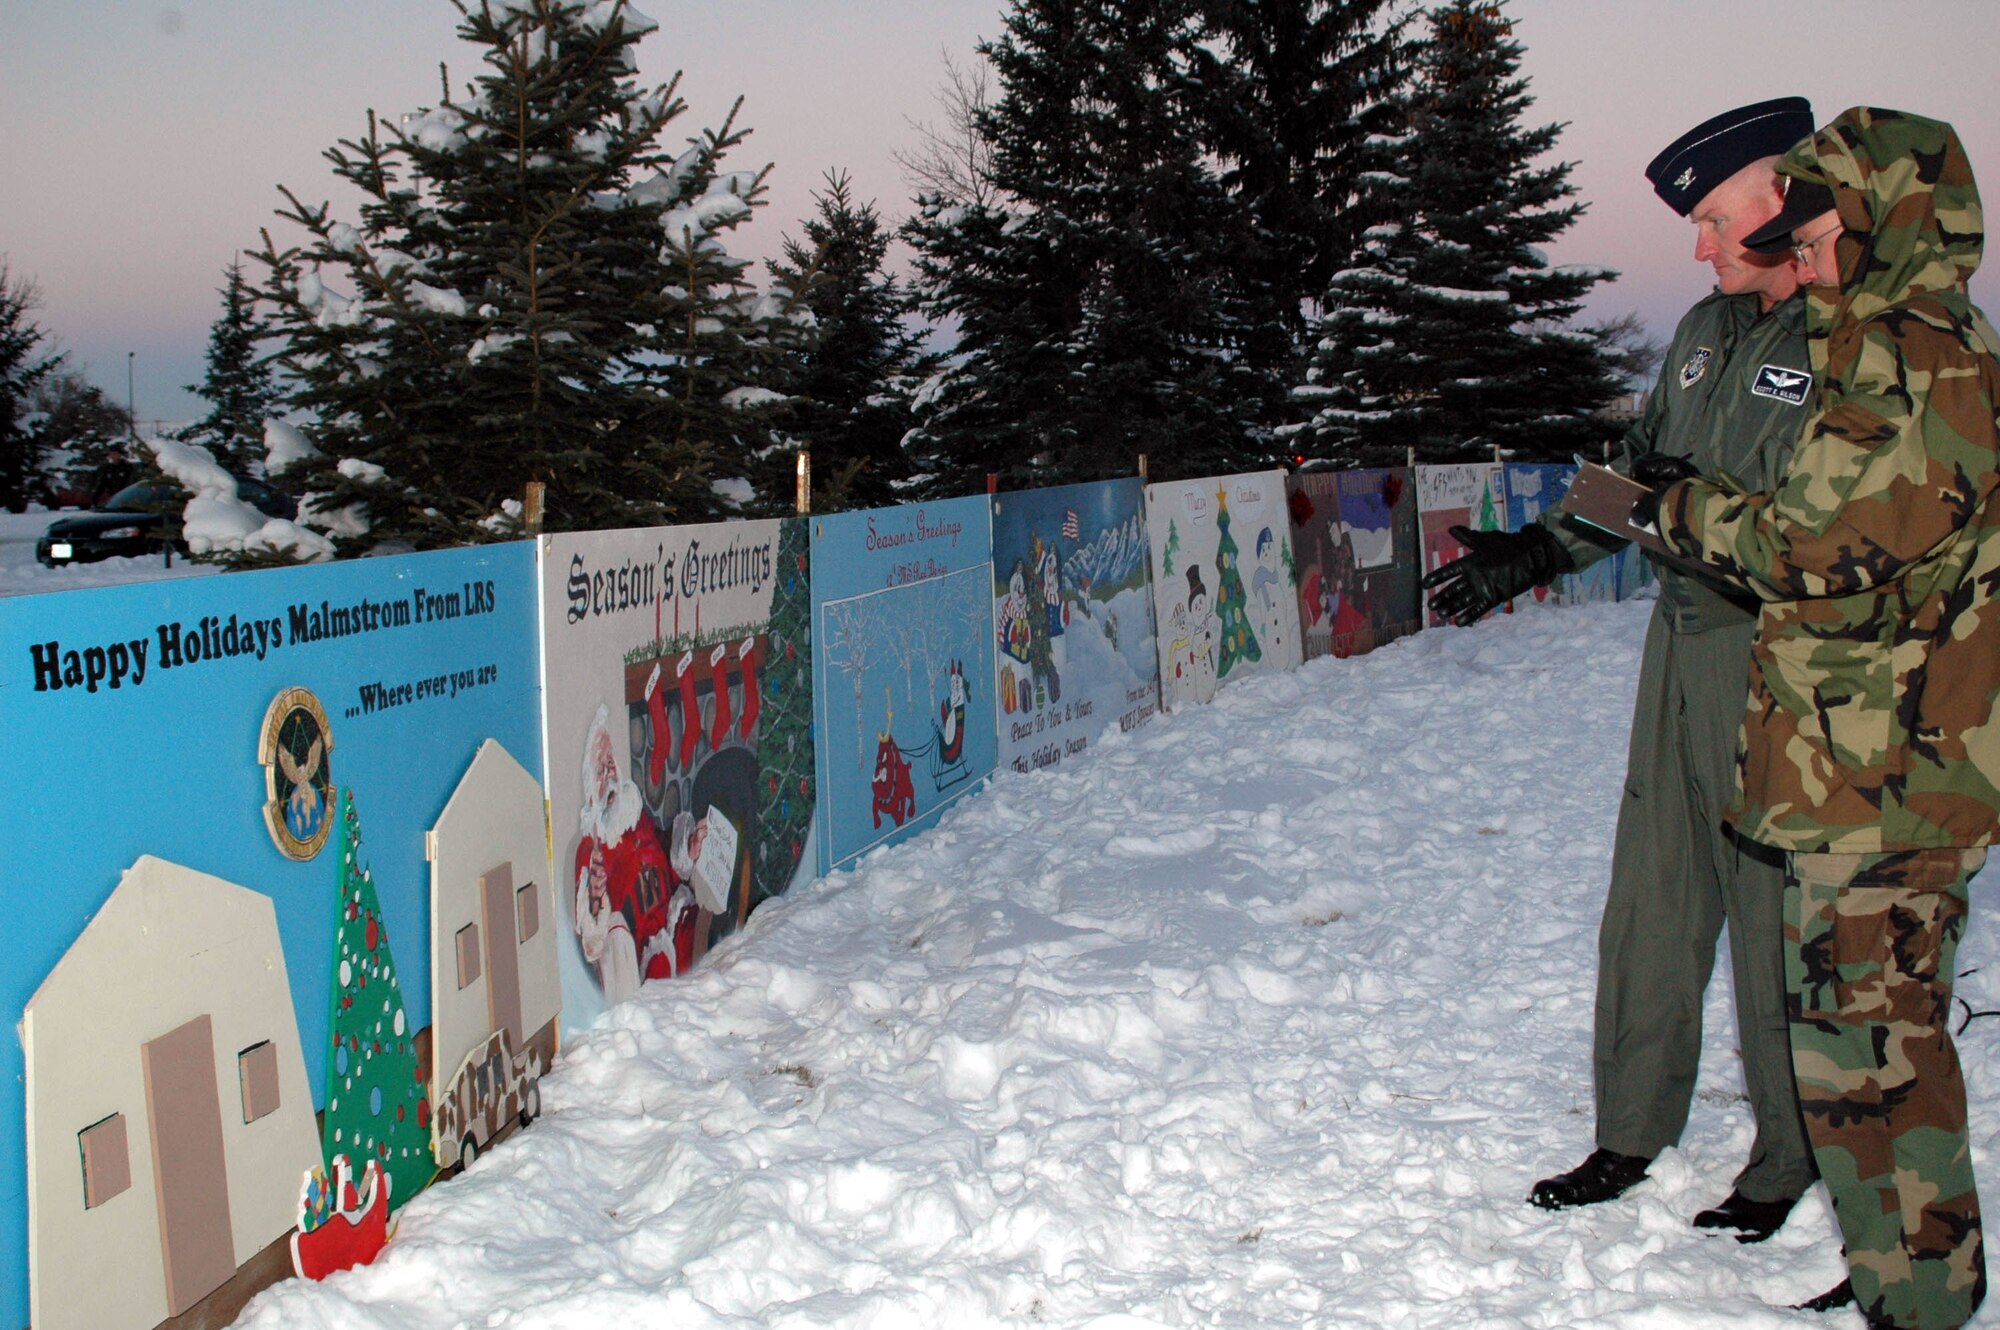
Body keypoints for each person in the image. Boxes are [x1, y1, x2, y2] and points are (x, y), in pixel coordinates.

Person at [1423, 98, 1820, 1240]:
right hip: (1679, 647)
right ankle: (1628, 1129)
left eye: (1709, 216)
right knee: (1651, 898)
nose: (1697, 245)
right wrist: (1533, 552)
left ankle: (1789, 1151)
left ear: (1776, 194)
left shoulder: (1844, 338)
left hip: (1782, 664)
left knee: (1770, 913)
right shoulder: (1701, 330)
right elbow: (1639, 477)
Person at [1645, 106, 2000, 1330]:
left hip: (1891, 773)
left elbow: (1811, 544)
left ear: (1863, 221)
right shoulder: (1885, 338)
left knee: (1875, 1057)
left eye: (1808, 221)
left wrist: (1675, 511)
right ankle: (1906, 1276)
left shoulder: (1915, 350)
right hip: (1860, 764)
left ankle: (1917, 1298)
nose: (1789, 246)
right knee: (1866, 1049)